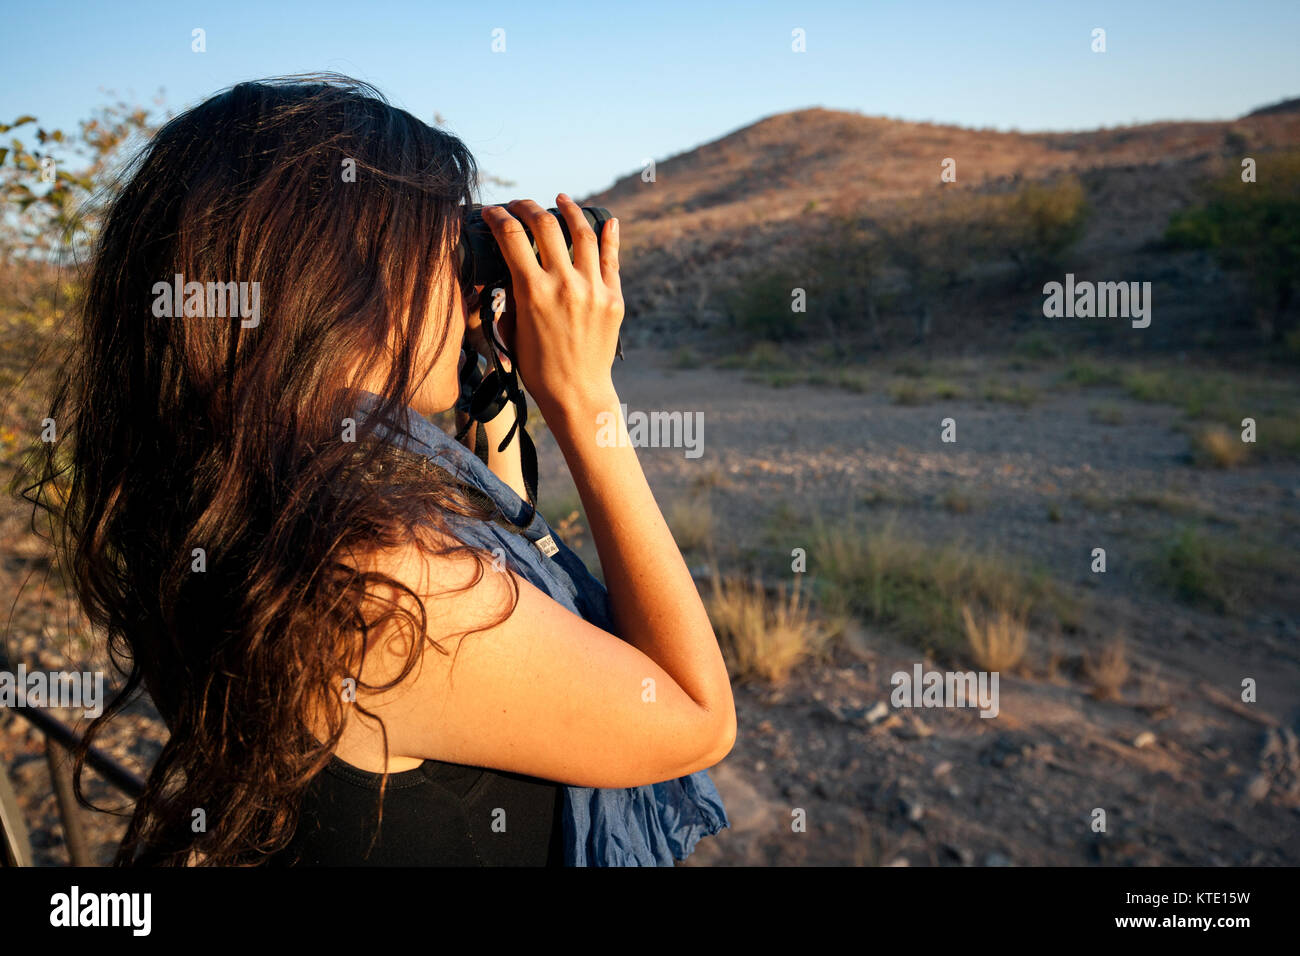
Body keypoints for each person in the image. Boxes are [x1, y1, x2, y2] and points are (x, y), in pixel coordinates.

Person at [26, 74, 735, 866]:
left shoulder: (235, 488)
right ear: (350, 277)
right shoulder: (377, 576)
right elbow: (696, 720)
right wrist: (584, 400)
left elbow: (503, 542)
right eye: (448, 249)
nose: (469, 292)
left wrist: (495, 378)